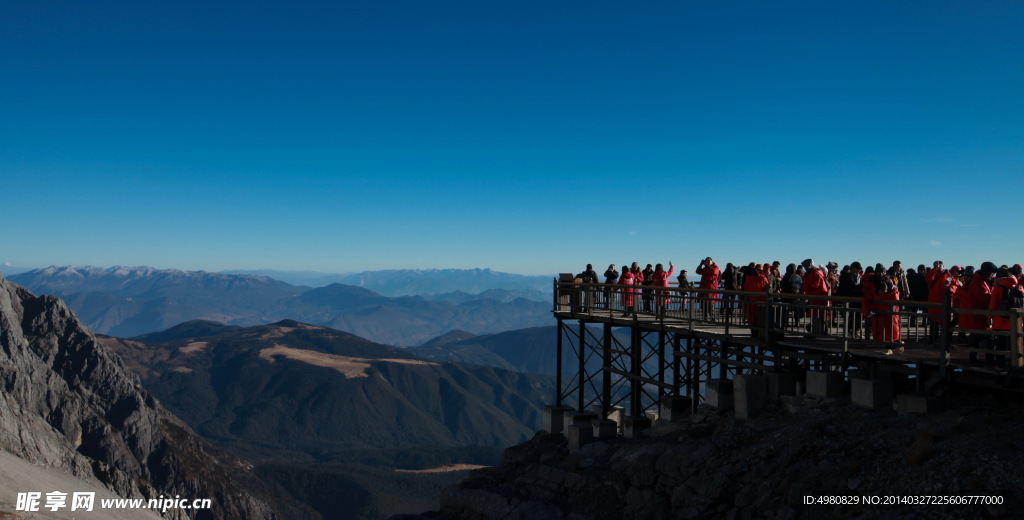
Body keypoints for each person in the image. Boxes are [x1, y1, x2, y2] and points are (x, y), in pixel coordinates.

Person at [988, 266, 1023, 367]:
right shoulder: (1019, 286)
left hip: (1000, 322)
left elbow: (993, 305)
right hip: (1016, 321)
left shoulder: (998, 287)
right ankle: (1016, 365)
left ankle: (1000, 364)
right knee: (1014, 345)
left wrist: (989, 317)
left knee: (1001, 346)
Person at [863, 274, 901, 350]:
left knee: (891, 331)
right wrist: (868, 313)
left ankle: (894, 345)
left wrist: (867, 313)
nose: (882, 292)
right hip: (885, 314)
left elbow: (866, 300)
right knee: (889, 331)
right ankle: (894, 345)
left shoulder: (888, 292)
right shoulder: (891, 292)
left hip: (888, 314)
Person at [801, 259, 831, 335]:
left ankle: (818, 333)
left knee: (818, 316)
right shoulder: (815, 272)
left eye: (806, 266)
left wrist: (803, 287)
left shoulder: (815, 273)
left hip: (818, 299)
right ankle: (818, 332)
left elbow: (813, 285)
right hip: (817, 298)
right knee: (817, 316)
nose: (805, 268)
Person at [742, 264, 770, 329]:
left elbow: (746, 287)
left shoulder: (747, 277)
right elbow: (765, 288)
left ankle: (753, 332)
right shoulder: (762, 277)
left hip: (750, 300)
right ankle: (759, 333)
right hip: (761, 301)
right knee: (760, 319)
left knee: (752, 318)